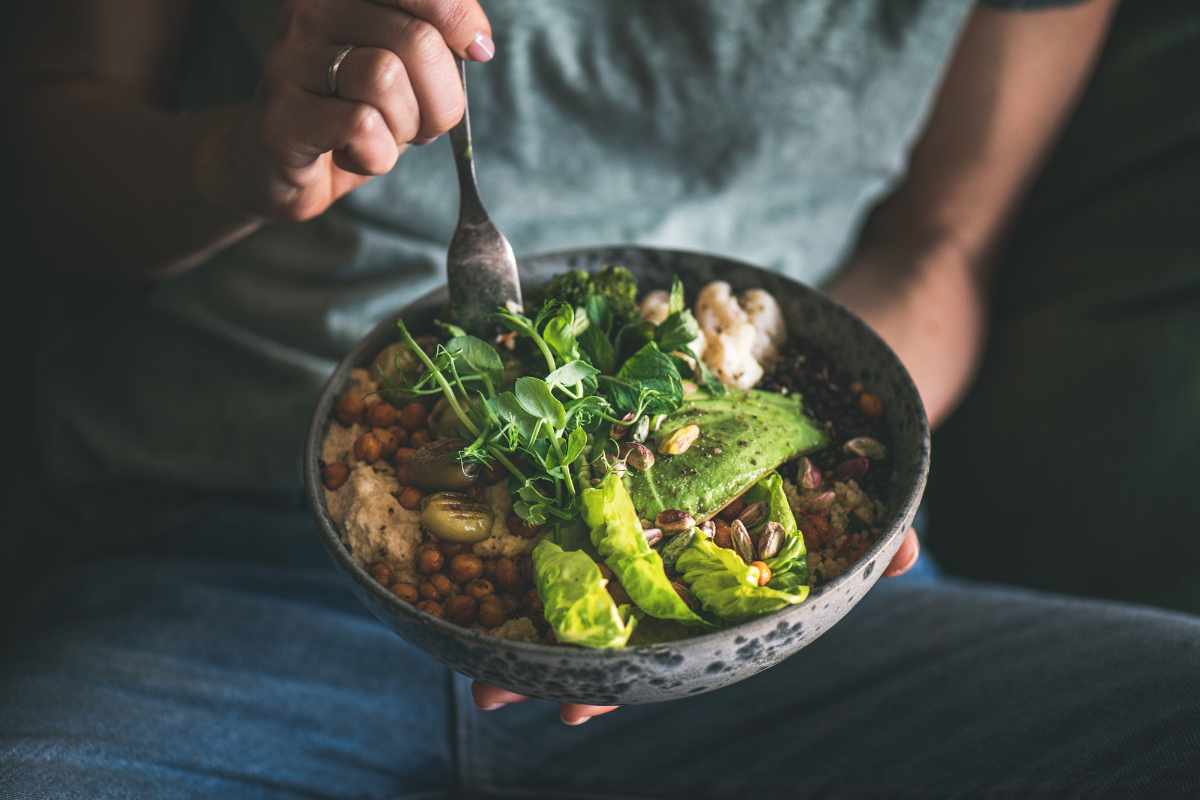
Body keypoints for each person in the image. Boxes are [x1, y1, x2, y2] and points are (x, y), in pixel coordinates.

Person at [4, 0, 1198, 796]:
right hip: (223, 561)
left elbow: (944, 243)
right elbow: (48, 171)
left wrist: (832, 495)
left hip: (782, 638)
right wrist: (246, 158)